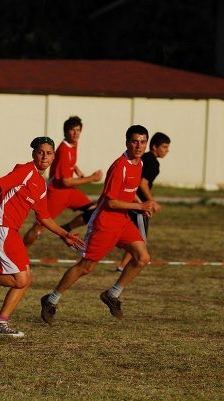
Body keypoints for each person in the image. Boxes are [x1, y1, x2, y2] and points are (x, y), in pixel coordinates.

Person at [0, 137, 84, 336]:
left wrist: (65, 234)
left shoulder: (41, 185)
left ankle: (0, 323)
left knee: (26, 279)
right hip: (2, 226)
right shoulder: (25, 171)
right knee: (20, 279)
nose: (44, 156)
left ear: (53, 157)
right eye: (40, 152)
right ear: (33, 154)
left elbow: (44, 217)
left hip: (12, 231)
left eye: (48, 153)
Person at [40, 125, 156, 324]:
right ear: (127, 142)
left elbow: (127, 192)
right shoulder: (120, 166)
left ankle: (112, 294)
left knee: (142, 257)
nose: (139, 145)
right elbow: (110, 201)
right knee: (86, 267)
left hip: (122, 221)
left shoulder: (140, 163)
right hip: (105, 223)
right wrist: (139, 205)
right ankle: (51, 300)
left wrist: (139, 205)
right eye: (135, 141)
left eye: (143, 141)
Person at [23, 116, 102, 247]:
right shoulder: (64, 149)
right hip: (57, 193)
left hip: (69, 192)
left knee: (94, 211)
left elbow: (69, 164)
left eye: (78, 130)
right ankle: (20, 257)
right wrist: (91, 178)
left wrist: (77, 169)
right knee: (39, 227)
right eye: (72, 130)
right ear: (65, 132)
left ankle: (67, 228)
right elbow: (65, 181)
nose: (76, 133)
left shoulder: (73, 143)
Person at [116, 132, 170, 272]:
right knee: (139, 239)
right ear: (154, 147)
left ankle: (122, 266)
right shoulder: (153, 163)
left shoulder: (143, 158)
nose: (166, 150)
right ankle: (125, 266)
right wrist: (152, 202)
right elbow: (143, 183)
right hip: (137, 205)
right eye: (164, 147)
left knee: (136, 237)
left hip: (130, 200)